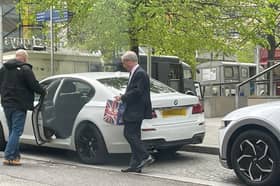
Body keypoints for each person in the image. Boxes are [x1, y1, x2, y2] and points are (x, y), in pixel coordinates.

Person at [0, 49, 45, 166]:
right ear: (25, 59)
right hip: (19, 105)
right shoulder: (25, 69)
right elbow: (34, 84)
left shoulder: (4, 69)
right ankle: (9, 155)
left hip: (6, 104)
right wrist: (43, 91)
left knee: (12, 130)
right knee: (17, 131)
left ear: (16, 57)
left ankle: (14, 157)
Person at [115, 51, 154, 173]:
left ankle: (145, 156)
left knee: (129, 134)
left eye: (124, 63)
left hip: (136, 109)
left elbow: (137, 91)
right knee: (135, 135)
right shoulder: (135, 72)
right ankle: (135, 165)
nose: (124, 65)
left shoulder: (140, 73)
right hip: (135, 108)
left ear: (129, 61)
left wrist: (123, 97)